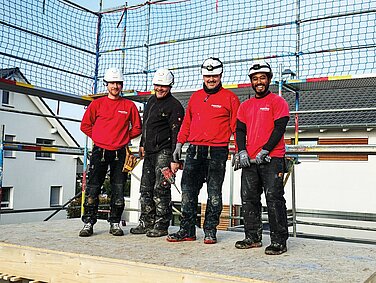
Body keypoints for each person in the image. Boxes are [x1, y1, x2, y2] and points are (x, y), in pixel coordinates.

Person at [167, 57, 240, 244]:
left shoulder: (230, 98)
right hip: (194, 151)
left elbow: (236, 128)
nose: (211, 79)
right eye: (208, 76)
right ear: (203, 76)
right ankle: (187, 231)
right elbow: (187, 123)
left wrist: (239, 150)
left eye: (214, 75)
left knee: (214, 193)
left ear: (221, 75)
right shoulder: (196, 97)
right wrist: (178, 144)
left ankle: (210, 230)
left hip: (217, 151)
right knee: (188, 191)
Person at [233, 60, 290, 255]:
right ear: (251, 81)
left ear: (269, 80)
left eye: (262, 78)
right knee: (249, 198)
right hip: (250, 160)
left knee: (274, 199)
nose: (259, 82)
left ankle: (279, 241)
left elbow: (279, 128)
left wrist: (265, 150)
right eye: (255, 79)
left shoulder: (278, 102)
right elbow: (239, 130)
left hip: (271, 159)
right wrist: (242, 152)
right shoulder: (245, 106)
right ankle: (252, 237)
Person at [79, 67, 142, 237]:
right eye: (112, 83)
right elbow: (85, 125)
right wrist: (100, 138)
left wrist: (122, 137)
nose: (115, 86)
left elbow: (137, 128)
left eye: (118, 83)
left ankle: (115, 222)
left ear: (122, 85)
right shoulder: (96, 104)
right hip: (100, 150)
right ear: (106, 84)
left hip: (120, 152)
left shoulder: (129, 106)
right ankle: (88, 223)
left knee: (119, 188)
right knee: (93, 188)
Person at [130, 68, 185, 237]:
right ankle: (147, 222)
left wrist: (175, 158)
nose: (160, 89)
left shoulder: (174, 106)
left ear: (170, 86)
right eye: (157, 85)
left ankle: (161, 225)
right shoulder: (151, 101)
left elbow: (177, 134)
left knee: (160, 188)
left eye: (164, 86)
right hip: (149, 151)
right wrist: (142, 144)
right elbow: (146, 124)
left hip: (165, 151)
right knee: (145, 188)